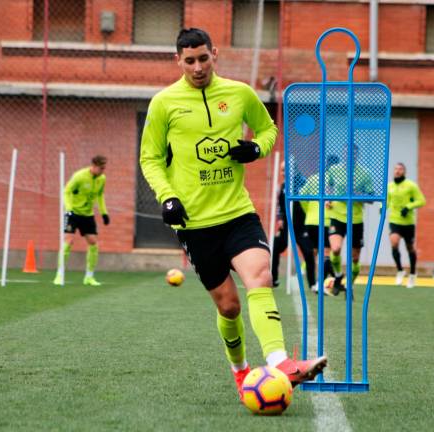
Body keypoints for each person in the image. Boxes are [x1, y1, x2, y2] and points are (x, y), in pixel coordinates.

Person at [139, 28, 327, 401]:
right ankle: (241, 372)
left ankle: (281, 363)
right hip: (195, 223)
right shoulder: (164, 103)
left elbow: (269, 129)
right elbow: (150, 158)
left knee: (259, 276)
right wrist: (168, 197)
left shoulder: (240, 93)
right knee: (229, 306)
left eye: (203, 58)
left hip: (238, 213)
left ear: (215, 54)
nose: (197, 67)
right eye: (189, 61)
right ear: (178, 61)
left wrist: (256, 148)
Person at [53, 155, 110, 286]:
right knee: (68, 241)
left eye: (104, 168)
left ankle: (89, 277)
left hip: (88, 215)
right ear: (94, 166)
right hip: (73, 213)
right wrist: (68, 208)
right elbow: (66, 191)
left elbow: (100, 195)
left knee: (93, 244)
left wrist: (104, 213)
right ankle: (59, 275)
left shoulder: (102, 179)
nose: (103, 171)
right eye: (101, 168)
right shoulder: (79, 176)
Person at [326, 148, 374, 288]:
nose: (349, 156)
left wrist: (357, 194)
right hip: (337, 215)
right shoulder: (334, 169)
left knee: (355, 257)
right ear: (343, 154)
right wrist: (328, 199)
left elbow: (371, 198)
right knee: (335, 249)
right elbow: (328, 185)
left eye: (352, 153)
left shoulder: (365, 173)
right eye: (347, 153)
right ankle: (338, 274)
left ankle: (349, 285)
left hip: (355, 219)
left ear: (357, 155)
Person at [271, 162, 315, 290]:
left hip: (301, 226)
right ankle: (273, 279)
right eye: (282, 170)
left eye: (286, 170)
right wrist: (280, 218)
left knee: (308, 252)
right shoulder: (283, 186)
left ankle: (313, 284)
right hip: (286, 226)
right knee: (275, 247)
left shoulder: (302, 182)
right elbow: (280, 205)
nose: (283, 173)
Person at [386, 163, 426, 288]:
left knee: (410, 248)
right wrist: (382, 208)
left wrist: (408, 207)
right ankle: (400, 270)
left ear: (404, 171)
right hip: (395, 220)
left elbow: (422, 200)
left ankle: (413, 274)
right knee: (394, 242)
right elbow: (386, 201)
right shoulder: (390, 186)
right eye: (396, 169)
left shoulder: (411, 185)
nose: (398, 171)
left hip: (408, 223)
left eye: (400, 169)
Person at [300, 166, 336, 295]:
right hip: (327, 220)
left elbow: (301, 196)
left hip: (311, 221)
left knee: (313, 253)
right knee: (326, 253)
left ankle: (313, 283)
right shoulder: (337, 179)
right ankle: (322, 283)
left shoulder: (313, 178)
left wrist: (308, 210)